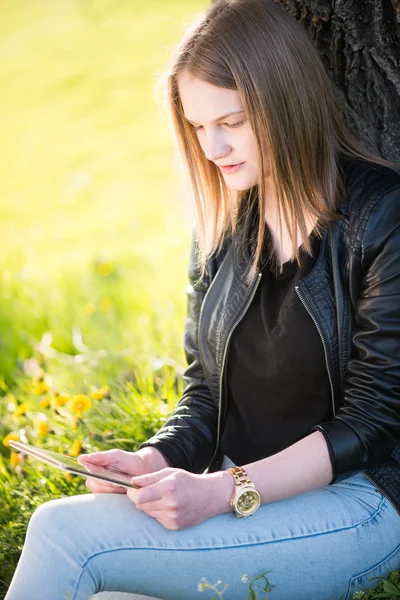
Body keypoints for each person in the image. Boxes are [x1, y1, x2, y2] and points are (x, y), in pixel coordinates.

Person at [5, 1, 400, 599]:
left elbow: (373, 423)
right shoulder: (224, 224)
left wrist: (222, 490)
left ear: (286, 103)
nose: (212, 147)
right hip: (241, 491)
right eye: (197, 127)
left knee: (63, 533)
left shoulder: (383, 216)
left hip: (360, 502)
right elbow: (206, 393)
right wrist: (156, 458)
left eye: (232, 121)